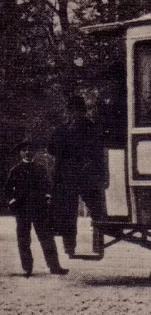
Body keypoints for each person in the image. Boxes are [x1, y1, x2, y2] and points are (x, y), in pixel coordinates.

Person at [49, 95, 106, 258]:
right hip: (67, 176)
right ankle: (69, 247)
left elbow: (97, 152)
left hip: (86, 175)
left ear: (83, 112)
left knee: (96, 209)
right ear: (69, 112)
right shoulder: (61, 130)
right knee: (67, 211)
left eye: (78, 111)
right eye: (72, 111)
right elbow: (51, 148)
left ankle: (98, 245)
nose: (75, 114)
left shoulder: (91, 128)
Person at [4, 139, 68, 276]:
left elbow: (48, 186)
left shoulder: (40, 169)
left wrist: (48, 197)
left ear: (34, 152)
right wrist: (12, 201)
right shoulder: (15, 170)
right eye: (24, 150)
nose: (28, 152)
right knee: (23, 239)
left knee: (47, 238)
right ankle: (27, 268)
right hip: (22, 209)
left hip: (39, 209)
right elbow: (7, 190)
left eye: (30, 150)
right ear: (21, 153)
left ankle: (55, 267)